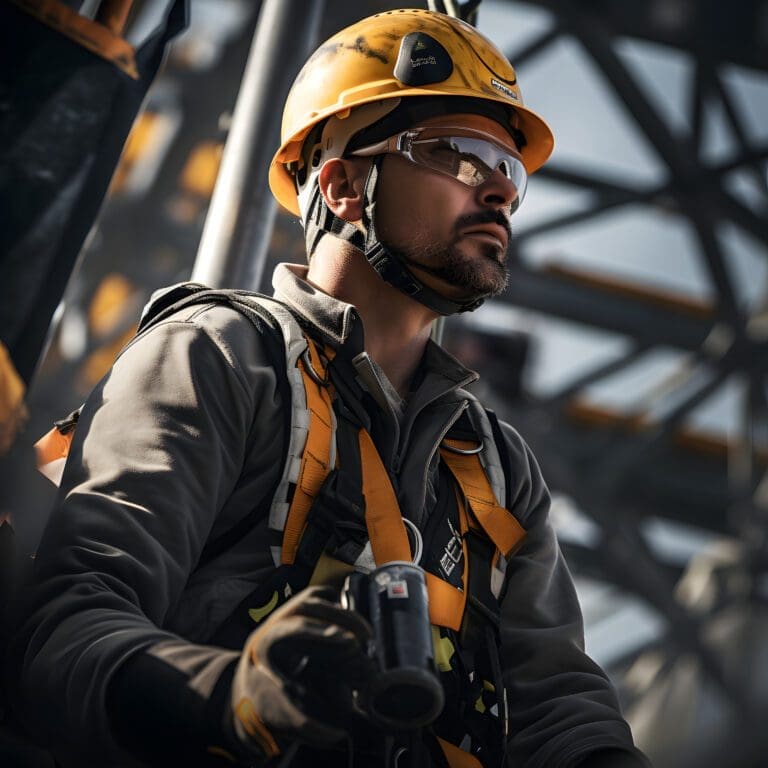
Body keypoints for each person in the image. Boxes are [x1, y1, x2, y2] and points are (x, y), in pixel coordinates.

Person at [4, 8, 650, 768]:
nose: (500, 192)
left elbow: (561, 713)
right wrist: (230, 697)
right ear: (343, 184)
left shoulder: (497, 468)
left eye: (511, 171)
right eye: (464, 157)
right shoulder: (222, 357)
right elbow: (63, 630)